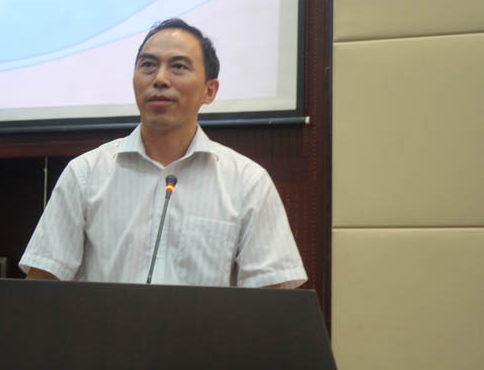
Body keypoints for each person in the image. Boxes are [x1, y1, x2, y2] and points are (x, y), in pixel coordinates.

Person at [19, 18, 307, 289]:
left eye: (178, 67)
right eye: (148, 65)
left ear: (209, 91)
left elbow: (271, 298)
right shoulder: (85, 174)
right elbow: (41, 287)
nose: (160, 79)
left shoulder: (247, 182)